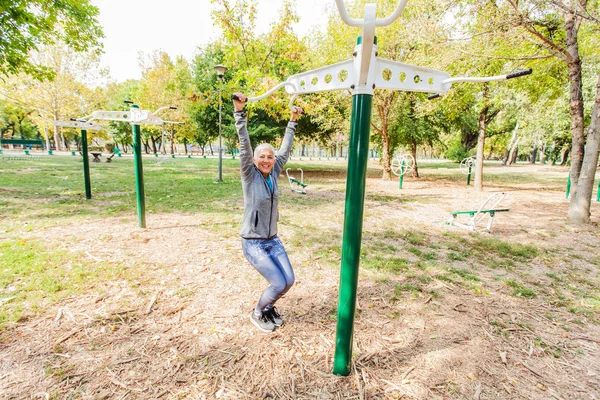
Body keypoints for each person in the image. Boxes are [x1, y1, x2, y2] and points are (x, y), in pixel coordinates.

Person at [232, 92, 303, 332]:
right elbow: (244, 143)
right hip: (253, 242)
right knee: (277, 282)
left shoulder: (274, 171)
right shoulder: (249, 173)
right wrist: (239, 113)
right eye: (261, 156)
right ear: (253, 159)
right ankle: (257, 312)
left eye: (269, 157)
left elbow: (286, 147)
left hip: (272, 239)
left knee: (289, 281)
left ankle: (268, 307)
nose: (266, 159)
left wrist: (293, 121)